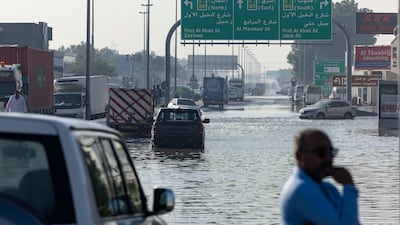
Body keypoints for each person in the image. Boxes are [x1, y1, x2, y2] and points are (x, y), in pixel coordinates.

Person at [280, 128, 360, 225]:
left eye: (331, 152)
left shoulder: (328, 188)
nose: (328, 158)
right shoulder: (302, 190)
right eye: (321, 153)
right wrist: (349, 186)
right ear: (299, 157)